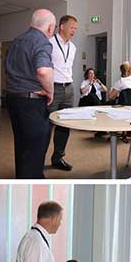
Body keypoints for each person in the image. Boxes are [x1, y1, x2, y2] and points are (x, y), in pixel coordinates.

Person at [6, 9, 55, 179]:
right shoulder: (42, 42)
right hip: (31, 102)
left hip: (13, 100)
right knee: (35, 147)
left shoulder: (17, 40)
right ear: (50, 28)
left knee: (22, 144)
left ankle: (22, 176)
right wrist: (50, 91)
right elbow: (43, 71)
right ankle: (32, 178)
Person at [47, 15, 78, 171]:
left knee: (64, 125)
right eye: (72, 27)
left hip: (69, 88)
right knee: (47, 126)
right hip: (53, 88)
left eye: (75, 28)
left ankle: (58, 158)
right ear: (62, 27)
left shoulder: (73, 47)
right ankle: (37, 160)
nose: (74, 31)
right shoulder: (50, 43)